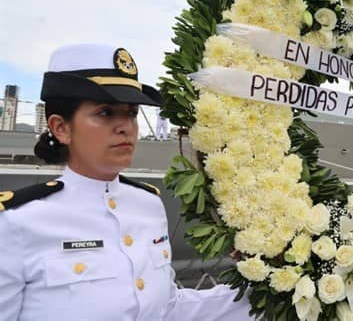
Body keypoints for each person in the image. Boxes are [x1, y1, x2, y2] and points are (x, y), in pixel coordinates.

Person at [0, 44, 253, 321]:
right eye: (106, 113)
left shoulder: (148, 205)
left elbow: (166, 308)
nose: (126, 127)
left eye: (131, 113)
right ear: (60, 127)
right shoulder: (17, 222)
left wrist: (273, 293)